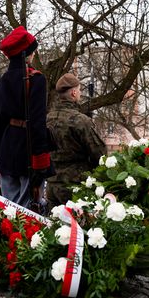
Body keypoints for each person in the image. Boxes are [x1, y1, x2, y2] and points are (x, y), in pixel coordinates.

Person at [0, 26, 53, 209]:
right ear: (27, 54)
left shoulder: (3, 81)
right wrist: (41, 159)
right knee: (28, 212)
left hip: (7, 150)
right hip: (28, 150)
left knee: (8, 209)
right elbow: (37, 122)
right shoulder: (36, 79)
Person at [46, 73, 107, 207]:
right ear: (74, 93)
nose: (80, 93)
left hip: (52, 185)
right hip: (75, 187)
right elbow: (100, 154)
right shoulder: (80, 120)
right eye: (79, 90)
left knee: (53, 220)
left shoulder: (47, 118)